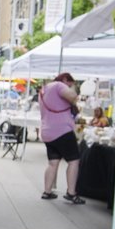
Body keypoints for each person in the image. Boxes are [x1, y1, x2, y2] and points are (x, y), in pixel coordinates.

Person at [38, 71, 84, 203]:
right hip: (62, 130)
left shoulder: (44, 89)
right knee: (74, 160)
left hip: (47, 131)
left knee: (53, 163)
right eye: (69, 83)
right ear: (65, 79)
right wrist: (73, 88)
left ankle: (47, 191)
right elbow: (73, 97)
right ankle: (71, 193)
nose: (69, 86)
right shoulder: (59, 85)